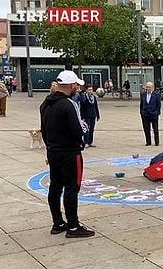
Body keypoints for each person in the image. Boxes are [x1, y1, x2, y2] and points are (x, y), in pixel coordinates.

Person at [40, 70, 95, 238]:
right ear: (71, 85)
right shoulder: (69, 104)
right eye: (76, 86)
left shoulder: (45, 104)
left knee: (55, 187)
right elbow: (77, 130)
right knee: (72, 188)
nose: (77, 88)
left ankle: (57, 223)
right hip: (70, 152)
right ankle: (73, 226)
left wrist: (50, 145)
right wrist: (84, 128)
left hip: (53, 151)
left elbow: (44, 130)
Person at [140, 81, 161, 146]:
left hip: (153, 114)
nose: (148, 88)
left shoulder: (156, 95)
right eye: (147, 87)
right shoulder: (143, 94)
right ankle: (148, 141)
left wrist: (157, 112)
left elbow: (159, 104)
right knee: (146, 128)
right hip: (145, 114)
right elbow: (141, 104)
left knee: (155, 128)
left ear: (152, 88)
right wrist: (141, 112)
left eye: (149, 87)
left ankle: (156, 142)